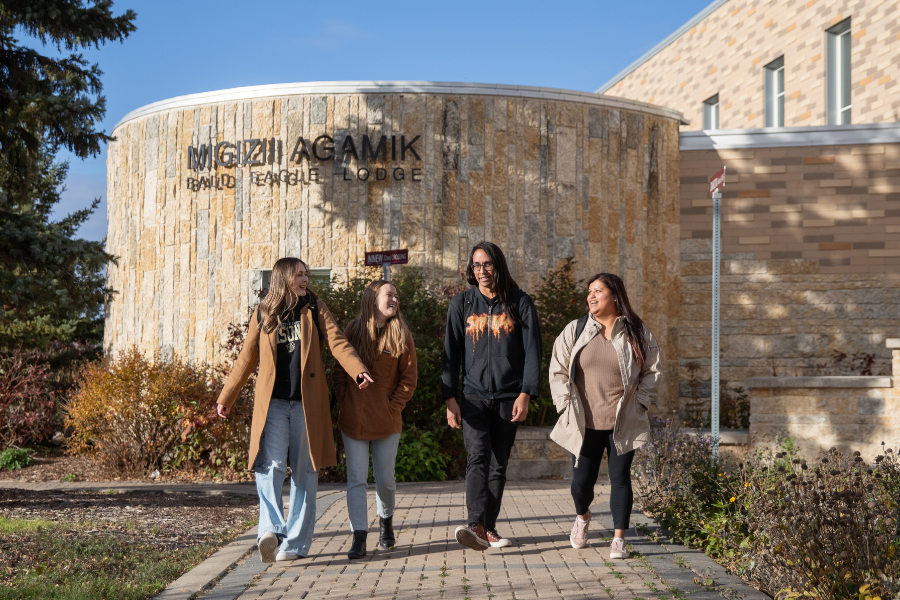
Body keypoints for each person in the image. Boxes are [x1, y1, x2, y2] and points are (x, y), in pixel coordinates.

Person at [216, 257, 373, 563]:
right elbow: (246, 358)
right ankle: (272, 529)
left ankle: (295, 545)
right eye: (299, 275)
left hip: (306, 405)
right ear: (283, 279)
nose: (305, 280)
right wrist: (227, 396)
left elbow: (338, 342)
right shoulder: (264, 312)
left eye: (306, 274)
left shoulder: (315, 308)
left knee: (305, 473)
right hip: (273, 405)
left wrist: (357, 370)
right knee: (269, 466)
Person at [548, 273, 661, 559]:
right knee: (580, 484)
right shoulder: (576, 329)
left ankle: (619, 539)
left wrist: (641, 404)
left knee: (620, 477)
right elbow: (557, 370)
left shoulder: (637, 331)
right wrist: (564, 406)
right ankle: (582, 516)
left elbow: (652, 371)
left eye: (598, 291)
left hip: (622, 421)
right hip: (585, 422)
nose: (591, 296)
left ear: (615, 296)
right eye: (589, 291)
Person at [442, 241, 542, 551]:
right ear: (470, 270)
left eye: (487, 264)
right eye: (476, 265)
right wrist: (450, 399)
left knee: (498, 464)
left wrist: (526, 393)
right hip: (472, 397)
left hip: (508, 396)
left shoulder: (520, 303)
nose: (482, 270)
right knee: (477, 457)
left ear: (498, 266)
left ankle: (489, 528)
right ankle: (475, 524)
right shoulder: (461, 305)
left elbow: (532, 353)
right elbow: (450, 354)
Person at [334, 280, 417, 559]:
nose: (394, 299)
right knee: (356, 479)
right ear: (372, 300)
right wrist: (345, 401)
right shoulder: (353, 330)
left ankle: (386, 523)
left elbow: (408, 379)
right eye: (389, 294)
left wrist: (393, 407)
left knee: (386, 480)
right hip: (353, 419)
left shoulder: (401, 334)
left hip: (387, 421)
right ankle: (359, 535)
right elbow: (338, 370)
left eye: (397, 295)